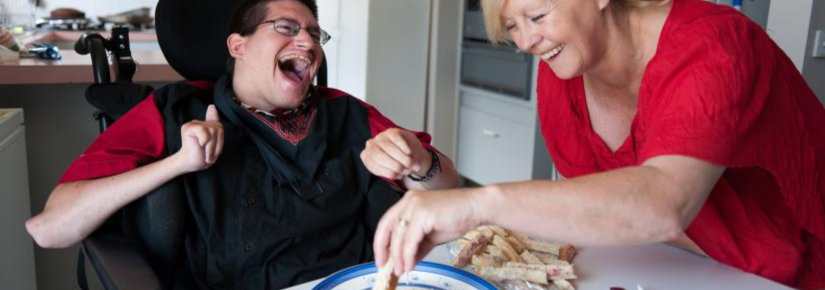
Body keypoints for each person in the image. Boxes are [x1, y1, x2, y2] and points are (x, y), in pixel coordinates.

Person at [372, 0, 825, 289]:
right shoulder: (561, 75)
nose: (527, 41)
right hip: (676, 266)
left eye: (537, 15)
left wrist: (477, 204)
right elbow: (594, 206)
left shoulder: (713, 44)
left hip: (792, 273)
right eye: (513, 26)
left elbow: (663, 203)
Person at [25, 0, 460, 288]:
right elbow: (49, 229)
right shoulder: (173, 111)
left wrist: (419, 163)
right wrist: (175, 164)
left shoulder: (347, 113)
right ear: (238, 45)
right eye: (287, 27)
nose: (307, 42)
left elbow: (452, 192)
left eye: (314, 32)